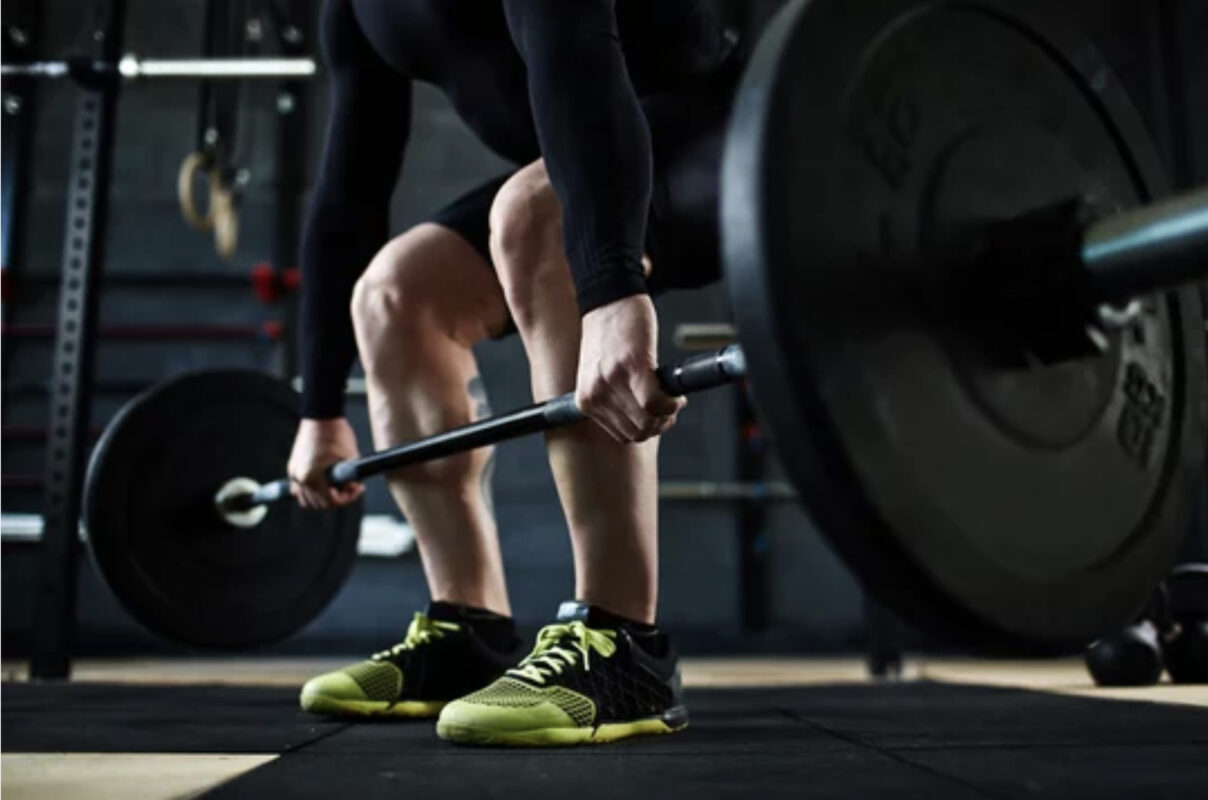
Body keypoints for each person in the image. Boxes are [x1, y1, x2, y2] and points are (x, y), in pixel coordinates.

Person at [290, 0, 744, 746]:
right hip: (591, 154)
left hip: (736, 135)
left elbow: (576, 57)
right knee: (395, 292)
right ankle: (469, 631)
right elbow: (351, 184)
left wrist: (610, 289)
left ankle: (622, 645)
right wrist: (317, 409)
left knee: (535, 216)